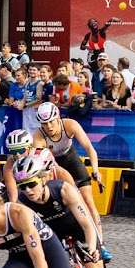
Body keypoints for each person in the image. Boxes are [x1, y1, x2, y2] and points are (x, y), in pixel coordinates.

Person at [32, 101, 107, 259]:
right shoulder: (38, 136)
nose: (49, 127)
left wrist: (95, 170)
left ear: (58, 118)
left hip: (71, 159)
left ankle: (101, 243)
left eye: (51, 122)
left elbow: (89, 148)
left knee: (87, 200)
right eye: (44, 124)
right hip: (53, 165)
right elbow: (42, 164)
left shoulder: (70, 125)